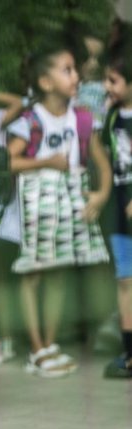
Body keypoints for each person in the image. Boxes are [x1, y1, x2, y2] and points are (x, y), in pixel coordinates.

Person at [5, 42, 111, 377]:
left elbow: (101, 164)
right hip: (35, 212)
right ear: (45, 81)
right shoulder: (30, 120)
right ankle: (36, 348)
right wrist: (47, 161)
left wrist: (101, 195)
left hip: (66, 210)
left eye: (74, 69)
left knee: (58, 273)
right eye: (67, 69)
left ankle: (48, 344)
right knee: (33, 273)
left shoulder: (81, 119)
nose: (76, 76)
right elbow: (10, 160)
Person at [101, 38, 132, 378]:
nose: (107, 87)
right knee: (125, 283)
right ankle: (129, 352)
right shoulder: (110, 119)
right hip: (120, 219)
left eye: (114, 80)